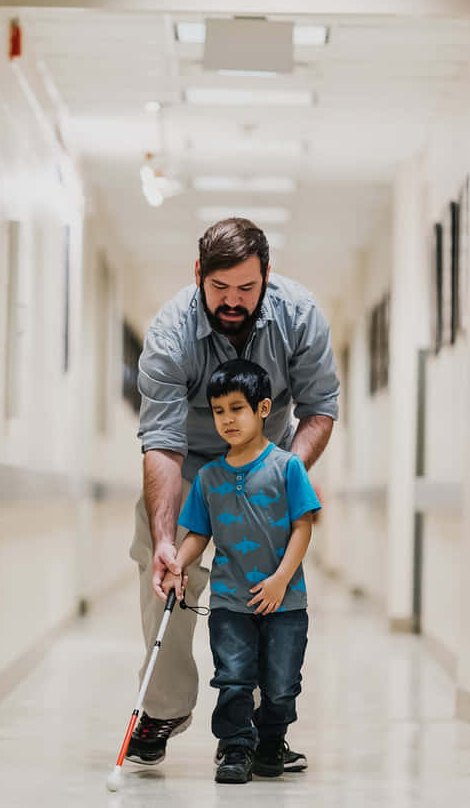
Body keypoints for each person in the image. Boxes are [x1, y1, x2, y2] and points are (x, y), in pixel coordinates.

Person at [126, 217, 339, 769]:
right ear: (198, 273)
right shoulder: (171, 332)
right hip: (191, 464)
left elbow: (320, 408)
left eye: (247, 287)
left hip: (268, 459)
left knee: (263, 591)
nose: (232, 301)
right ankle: (164, 707)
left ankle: (255, 728)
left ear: (267, 275)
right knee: (163, 567)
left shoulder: (299, 316)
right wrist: (166, 537)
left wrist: (282, 474)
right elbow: (162, 442)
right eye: (219, 287)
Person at [162, 359, 320, 783]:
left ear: (263, 408)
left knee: (281, 684)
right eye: (219, 411)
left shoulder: (287, 467)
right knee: (233, 678)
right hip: (230, 601)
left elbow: (303, 526)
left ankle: (271, 742)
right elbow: (198, 533)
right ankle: (235, 747)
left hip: (284, 602)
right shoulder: (209, 477)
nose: (227, 419)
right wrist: (178, 562)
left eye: (237, 408)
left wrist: (281, 579)